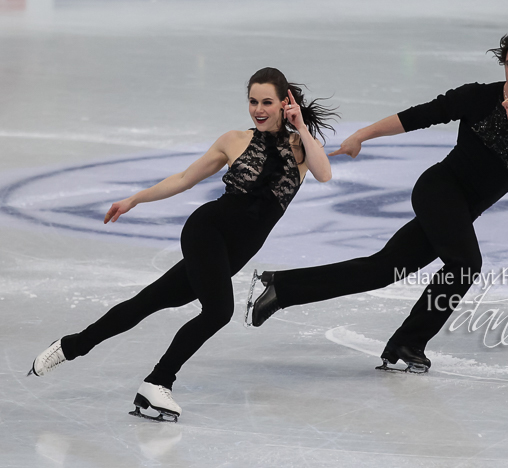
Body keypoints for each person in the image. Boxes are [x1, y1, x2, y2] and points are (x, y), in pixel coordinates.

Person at [29, 67, 338, 421]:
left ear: (286, 103)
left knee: (149, 301)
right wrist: (135, 199)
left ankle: (72, 345)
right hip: (208, 231)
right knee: (219, 312)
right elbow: (184, 178)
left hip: (234, 252)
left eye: (267, 101)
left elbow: (325, 173)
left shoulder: (301, 148)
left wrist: (299, 126)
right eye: (252, 101)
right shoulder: (234, 140)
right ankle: (158, 383)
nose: (258, 109)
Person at [251, 30, 508, 373]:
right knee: (465, 265)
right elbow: (418, 116)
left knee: (383, 269)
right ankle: (410, 341)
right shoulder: (478, 97)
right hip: (440, 190)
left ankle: (281, 288)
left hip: (464, 207)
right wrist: (361, 135)